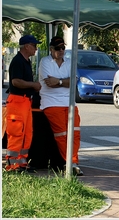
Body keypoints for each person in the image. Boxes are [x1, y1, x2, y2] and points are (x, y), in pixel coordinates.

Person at [38, 36, 83, 176]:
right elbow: (48, 83)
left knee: (75, 132)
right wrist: (64, 82)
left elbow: (73, 82)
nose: (61, 50)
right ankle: (69, 162)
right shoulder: (45, 62)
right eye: (58, 48)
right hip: (51, 102)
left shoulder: (69, 62)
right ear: (51, 49)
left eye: (63, 47)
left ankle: (73, 161)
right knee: (62, 134)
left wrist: (58, 81)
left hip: (69, 102)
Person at [4, 35, 42, 172]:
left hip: (25, 101)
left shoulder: (25, 61)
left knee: (26, 133)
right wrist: (33, 84)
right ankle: (12, 165)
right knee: (16, 132)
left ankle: (21, 162)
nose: (36, 48)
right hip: (17, 101)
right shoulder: (18, 61)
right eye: (34, 45)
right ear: (26, 46)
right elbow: (15, 82)